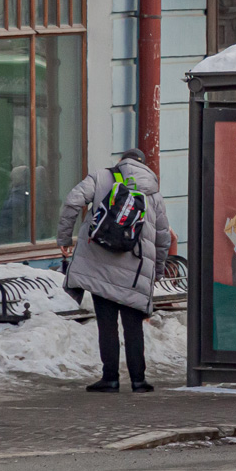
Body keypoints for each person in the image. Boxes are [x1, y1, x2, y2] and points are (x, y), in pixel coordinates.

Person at [57, 149, 171, 394]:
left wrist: (64, 238)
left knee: (106, 324)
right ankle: (139, 380)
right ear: (144, 165)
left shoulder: (101, 177)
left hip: (101, 264)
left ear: (121, 162)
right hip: (135, 273)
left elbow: (72, 201)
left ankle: (109, 378)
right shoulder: (154, 193)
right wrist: (157, 273)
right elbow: (163, 239)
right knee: (133, 326)